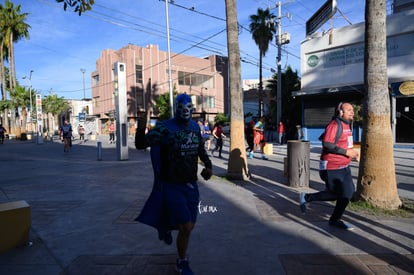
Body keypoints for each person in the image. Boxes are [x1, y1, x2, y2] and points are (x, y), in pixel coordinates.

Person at [135, 93, 212, 275]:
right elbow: (140, 144)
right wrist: (141, 125)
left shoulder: (195, 127)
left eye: (189, 108)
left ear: (192, 109)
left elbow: (200, 148)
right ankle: (182, 261)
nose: (186, 111)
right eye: (182, 108)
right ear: (176, 109)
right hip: (172, 185)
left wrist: (208, 166)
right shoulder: (164, 128)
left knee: (189, 227)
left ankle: (166, 225)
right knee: (185, 227)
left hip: (191, 186)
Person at [299, 102, 359, 230]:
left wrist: (353, 153)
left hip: (344, 167)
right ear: (341, 112)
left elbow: (344, 144)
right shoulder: (334, 125)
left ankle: (335, 220)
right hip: (331, 166)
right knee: (337, 194)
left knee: (348, 193)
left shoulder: (347, 125)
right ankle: (307, 197)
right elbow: (327, 144)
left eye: (352, 110)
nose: (352, 112)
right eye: (349, 110)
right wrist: (346, 152)